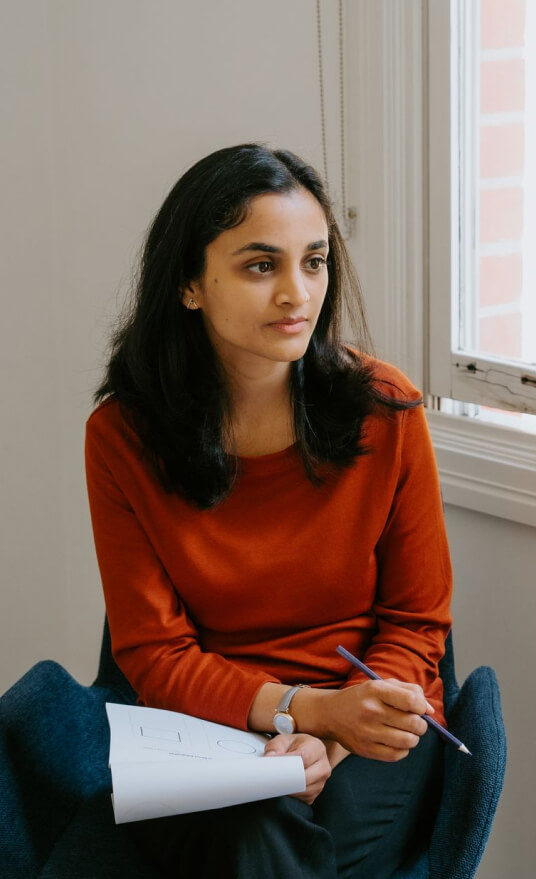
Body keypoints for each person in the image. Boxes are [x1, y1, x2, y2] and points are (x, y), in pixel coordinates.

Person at [85, 143, 452, 879]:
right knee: (257, 832)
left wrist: (345, 727)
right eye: (262, 265)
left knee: (270, 850)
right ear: (190, 282)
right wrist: (303, 714)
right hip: (206, 728)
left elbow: (417, 622)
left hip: (372, 718)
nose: (298, 293)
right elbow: (154, 654)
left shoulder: (387, 410)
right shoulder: (122, 436)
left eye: (313, 261)